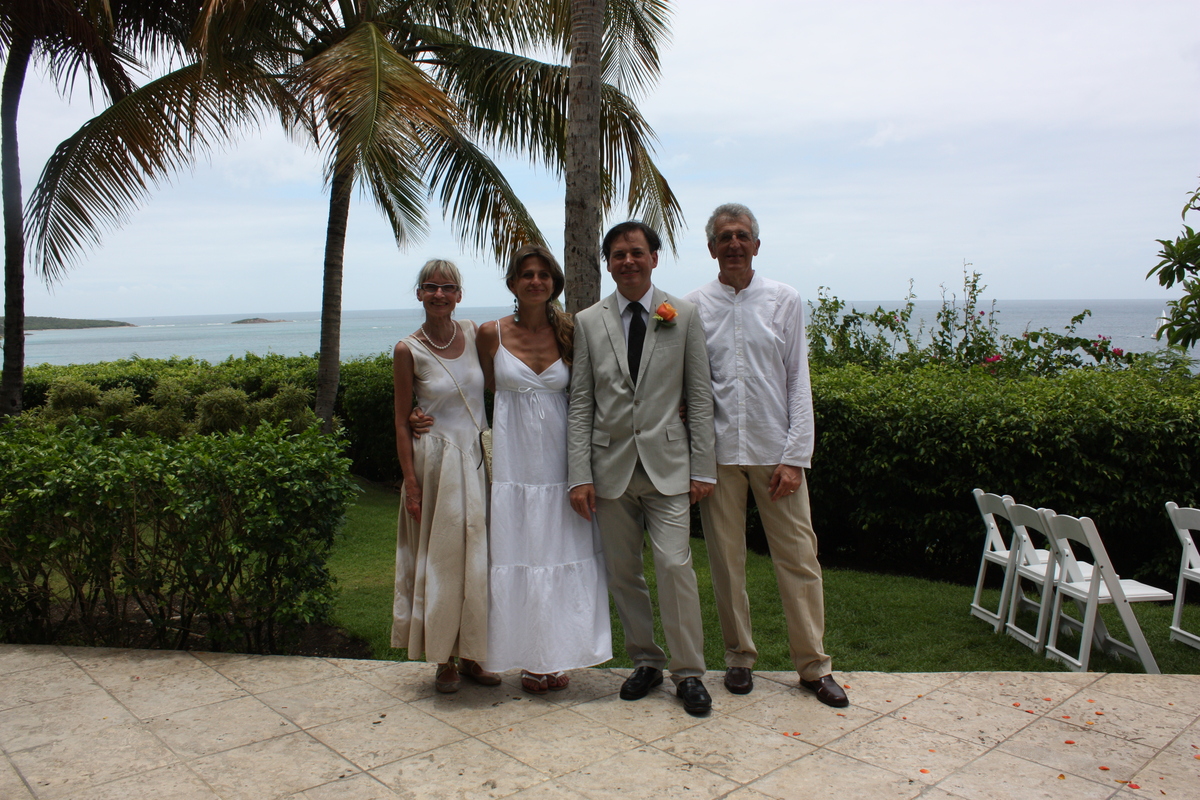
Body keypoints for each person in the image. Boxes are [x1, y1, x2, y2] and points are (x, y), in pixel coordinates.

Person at [684, 203, 848, 708]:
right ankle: (739, 657)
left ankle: (814, 666)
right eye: (725, 237)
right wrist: (696, 460)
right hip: (718, 457)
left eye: (742, 235)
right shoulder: (692, 307)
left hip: (776, 454)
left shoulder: (784, 299)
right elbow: (690, 387)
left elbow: (798, 379)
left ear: (756, 244)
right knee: (725, 562)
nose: (734, 244)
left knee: (799, 559)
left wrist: (796, 457)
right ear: (711, 248)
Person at [567, 221, 717, 716]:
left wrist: (703, 468)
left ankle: (689, 672)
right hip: (609, 469)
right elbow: (582, 401)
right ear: (608, 263)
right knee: (624, 573)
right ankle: (646, 661)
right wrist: (579, 474)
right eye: (618, 254)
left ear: (654, 257)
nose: (628, 261)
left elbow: (699, 396)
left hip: (667, 467)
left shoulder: (683, 314)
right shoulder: (588, 321)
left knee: (675, 566)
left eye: (636, 252)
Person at [475, 245, 612, 693]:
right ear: (512, 283)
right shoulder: (490, 334)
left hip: (562, 462)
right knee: (519, 557)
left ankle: (558, 655)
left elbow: (596, 391)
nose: (536, 281)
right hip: (514, 465)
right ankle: (528, 658)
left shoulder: (571, 332)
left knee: (562, 556)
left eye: (543, 275)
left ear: (554, 283)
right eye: (527, 274)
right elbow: (476, 389)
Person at [391, 259, 500, 693]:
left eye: (448, 287)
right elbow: (401, 421)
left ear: (459, 295)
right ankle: (444, 660)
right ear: (419, 293)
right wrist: (412, 486)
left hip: (477, 460)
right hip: (435, 466)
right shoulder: (407, 349)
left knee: (480, 559)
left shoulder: (474, 333)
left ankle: (473, 653)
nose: (439, 294)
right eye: (431, 287)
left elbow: (501, 383)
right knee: (443, 561)